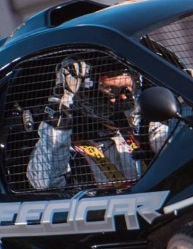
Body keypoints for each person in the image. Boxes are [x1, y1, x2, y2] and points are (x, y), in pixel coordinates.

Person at [26, 57, 171, 191]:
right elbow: (45, 183)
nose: (123, 97)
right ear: (89, 94)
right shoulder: (67, 146)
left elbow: (172, 143)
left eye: (127, 88)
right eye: (112, 90)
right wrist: (60, 105)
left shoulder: (146, 127)